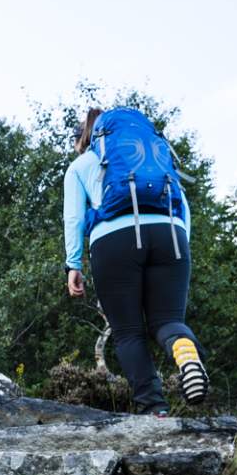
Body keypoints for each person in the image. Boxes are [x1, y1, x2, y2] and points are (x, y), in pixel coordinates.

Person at [62, 107, 210, 414]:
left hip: (114, 239)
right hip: (171, 235)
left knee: (128, 331)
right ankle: (186, 354)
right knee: (169, 321)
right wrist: (180, 246)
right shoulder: (154, 159)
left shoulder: (82, 164)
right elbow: (182, 206)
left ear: (83, 138)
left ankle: (155, 409)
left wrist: (73, 264)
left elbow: (73, 218)